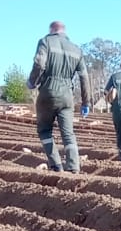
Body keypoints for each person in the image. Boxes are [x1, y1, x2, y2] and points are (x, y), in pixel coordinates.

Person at [27, 20, 91, 173]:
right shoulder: (77, 50)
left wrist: (32, 82)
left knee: (44, 131)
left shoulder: (45, 41)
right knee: (68, 133)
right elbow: (84, 78)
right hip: (67, 95)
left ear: (51, 30)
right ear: (64, 32)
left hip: (48, 92)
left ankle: (56, 165)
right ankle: (74, 166)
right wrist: (85, 102)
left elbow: (39, 64)